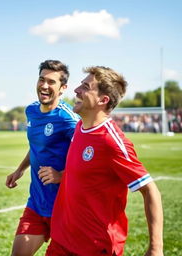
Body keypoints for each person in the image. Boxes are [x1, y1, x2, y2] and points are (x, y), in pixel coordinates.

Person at [46, 66, 163, 256]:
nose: (77, 90)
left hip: (94, 247)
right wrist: (61, 175)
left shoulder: (111, 142)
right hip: (61, 242)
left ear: (103, 99)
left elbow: (150, 191)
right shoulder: (79, 128)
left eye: (85, 86)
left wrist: (156, 249)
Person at [6, 60, 79, 256]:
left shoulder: (69, 119)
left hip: (65, 209)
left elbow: (86, 157)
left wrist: (61, 175)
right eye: (41, 79)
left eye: (51, 82)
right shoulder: (31, 111)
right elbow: (36, 146)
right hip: (37, 203)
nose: (44, 86)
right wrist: (20, 169)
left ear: (63, 88)